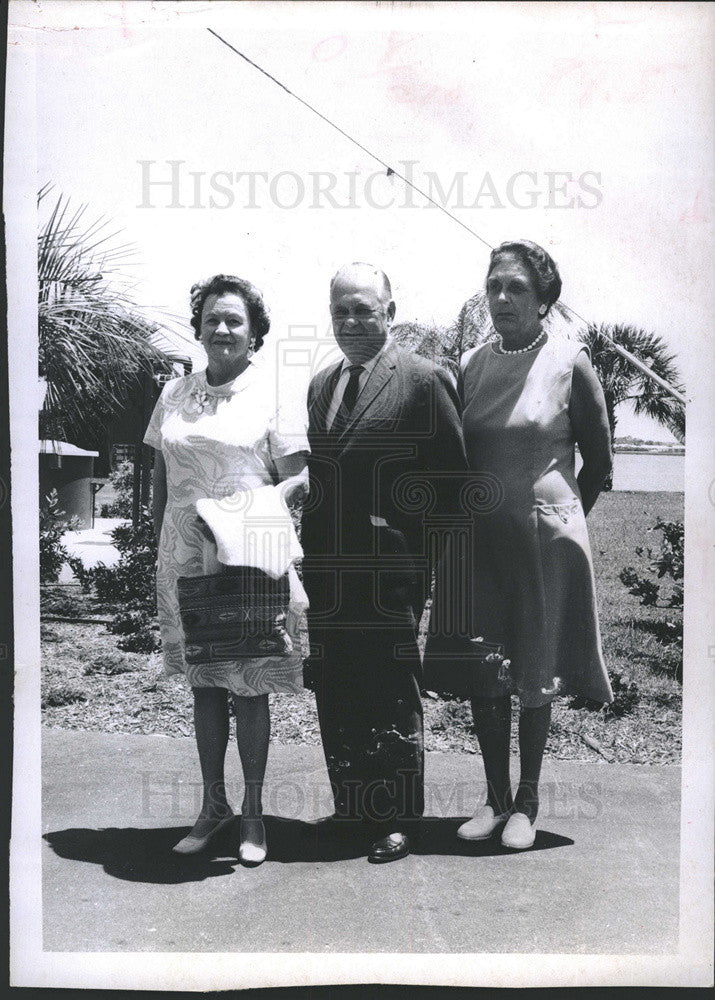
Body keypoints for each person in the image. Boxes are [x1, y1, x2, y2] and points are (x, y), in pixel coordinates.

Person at [425, 240, 613, 850]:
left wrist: (560, 523)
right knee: (486, 668)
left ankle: (527, 802)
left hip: (543, 544)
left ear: (544, 299)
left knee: (535, 667)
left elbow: (599, 462)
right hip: (480, 543)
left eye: (517, 289)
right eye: (495, 286)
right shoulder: (472, 364)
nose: (502, 298)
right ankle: (493, 797)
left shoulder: (570, 361)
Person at [301, 262, 467, 864]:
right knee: (337, 684)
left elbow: (452, 485)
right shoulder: (322, 384)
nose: (350, 321)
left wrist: (415, 554)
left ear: (390, 312)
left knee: (391, 689)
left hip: (391, 572)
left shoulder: (424, 380)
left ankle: (396, 817)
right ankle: (352, 809)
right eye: (340, 309)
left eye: (363, 309)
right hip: (327, 571)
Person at [144, 274, 309, 865]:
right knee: (205, 684)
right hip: (184, 557)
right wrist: (158, 543)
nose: (221, 329)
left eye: (234, 320)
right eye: (212, 318)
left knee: (250, 683)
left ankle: (254, 815)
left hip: (247, 552)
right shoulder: (172, 394)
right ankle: (213, 805)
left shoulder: (275, 394)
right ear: (200, 326)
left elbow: (300, 477)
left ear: (253, 332)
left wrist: (243, 512)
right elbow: (162, 476)